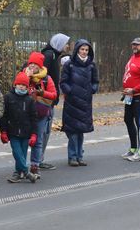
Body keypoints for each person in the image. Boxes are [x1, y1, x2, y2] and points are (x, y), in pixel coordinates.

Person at [60, 39, 99, 166]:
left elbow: (95, 81)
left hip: (85, 101)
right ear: (77, 50)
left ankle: (80, 156)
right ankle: (72, 156)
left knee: (81, 130)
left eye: (86, 50)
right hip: (72, 101)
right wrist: (69, 91)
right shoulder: (69, 64)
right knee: (72, 131)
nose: (84, 52)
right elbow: (63, 81)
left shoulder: (91, 65)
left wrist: (92, 89)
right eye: (82, 49)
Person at [39, 33, 71, 171]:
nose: (68, 46)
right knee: (43, 131)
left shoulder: (54, 55)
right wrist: (50, 95)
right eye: (66, 43)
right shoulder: (49, 56)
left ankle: (39, 158)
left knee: (45, 131)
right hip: (46, 100)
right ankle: (38, 159)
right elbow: (44, 77)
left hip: (49, 99)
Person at [0, 72, 38, 184]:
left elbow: (34, 118)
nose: (21, 86)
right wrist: (4, 131)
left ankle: (18, 173)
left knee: (23, 154)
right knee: (17, 152)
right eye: (19, 84)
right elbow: (4, 116)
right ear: (15, 84)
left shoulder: (30, 100)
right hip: (13, 131)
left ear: (27, 87)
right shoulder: (8, 97)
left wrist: (34, 134)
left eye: (24, 85)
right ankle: (26, 172)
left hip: (26, 132)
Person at [24, 52, 57, 178]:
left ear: (40, 66)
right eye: (30, 63)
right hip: (25, 113)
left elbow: (54, 95)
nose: (32, 66)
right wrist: (27, 78)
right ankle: (21, 166)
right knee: (23, 140)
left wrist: (42, 93)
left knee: (37, 140)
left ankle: (35, 165)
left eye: (35, 64)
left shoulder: (46, 79)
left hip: (41, 113)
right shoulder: (23, 75)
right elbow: (16, 89)